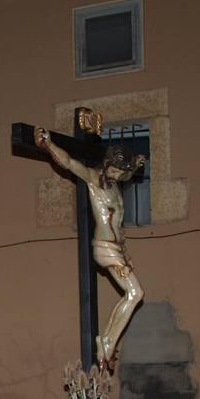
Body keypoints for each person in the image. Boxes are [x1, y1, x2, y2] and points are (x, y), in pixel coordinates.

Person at [35, 125, 146, 367]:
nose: (117, 176)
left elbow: (126, 180)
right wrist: (49, 144)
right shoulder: (94, 179)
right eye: (115, 170)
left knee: (134, 294)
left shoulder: (116, 185)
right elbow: (69, 163)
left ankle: (107, 341)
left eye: (121, 172)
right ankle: (107, 341)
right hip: (104, 248)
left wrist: (137, 163)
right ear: (106, 164)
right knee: (136, 293)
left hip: (118, 250)